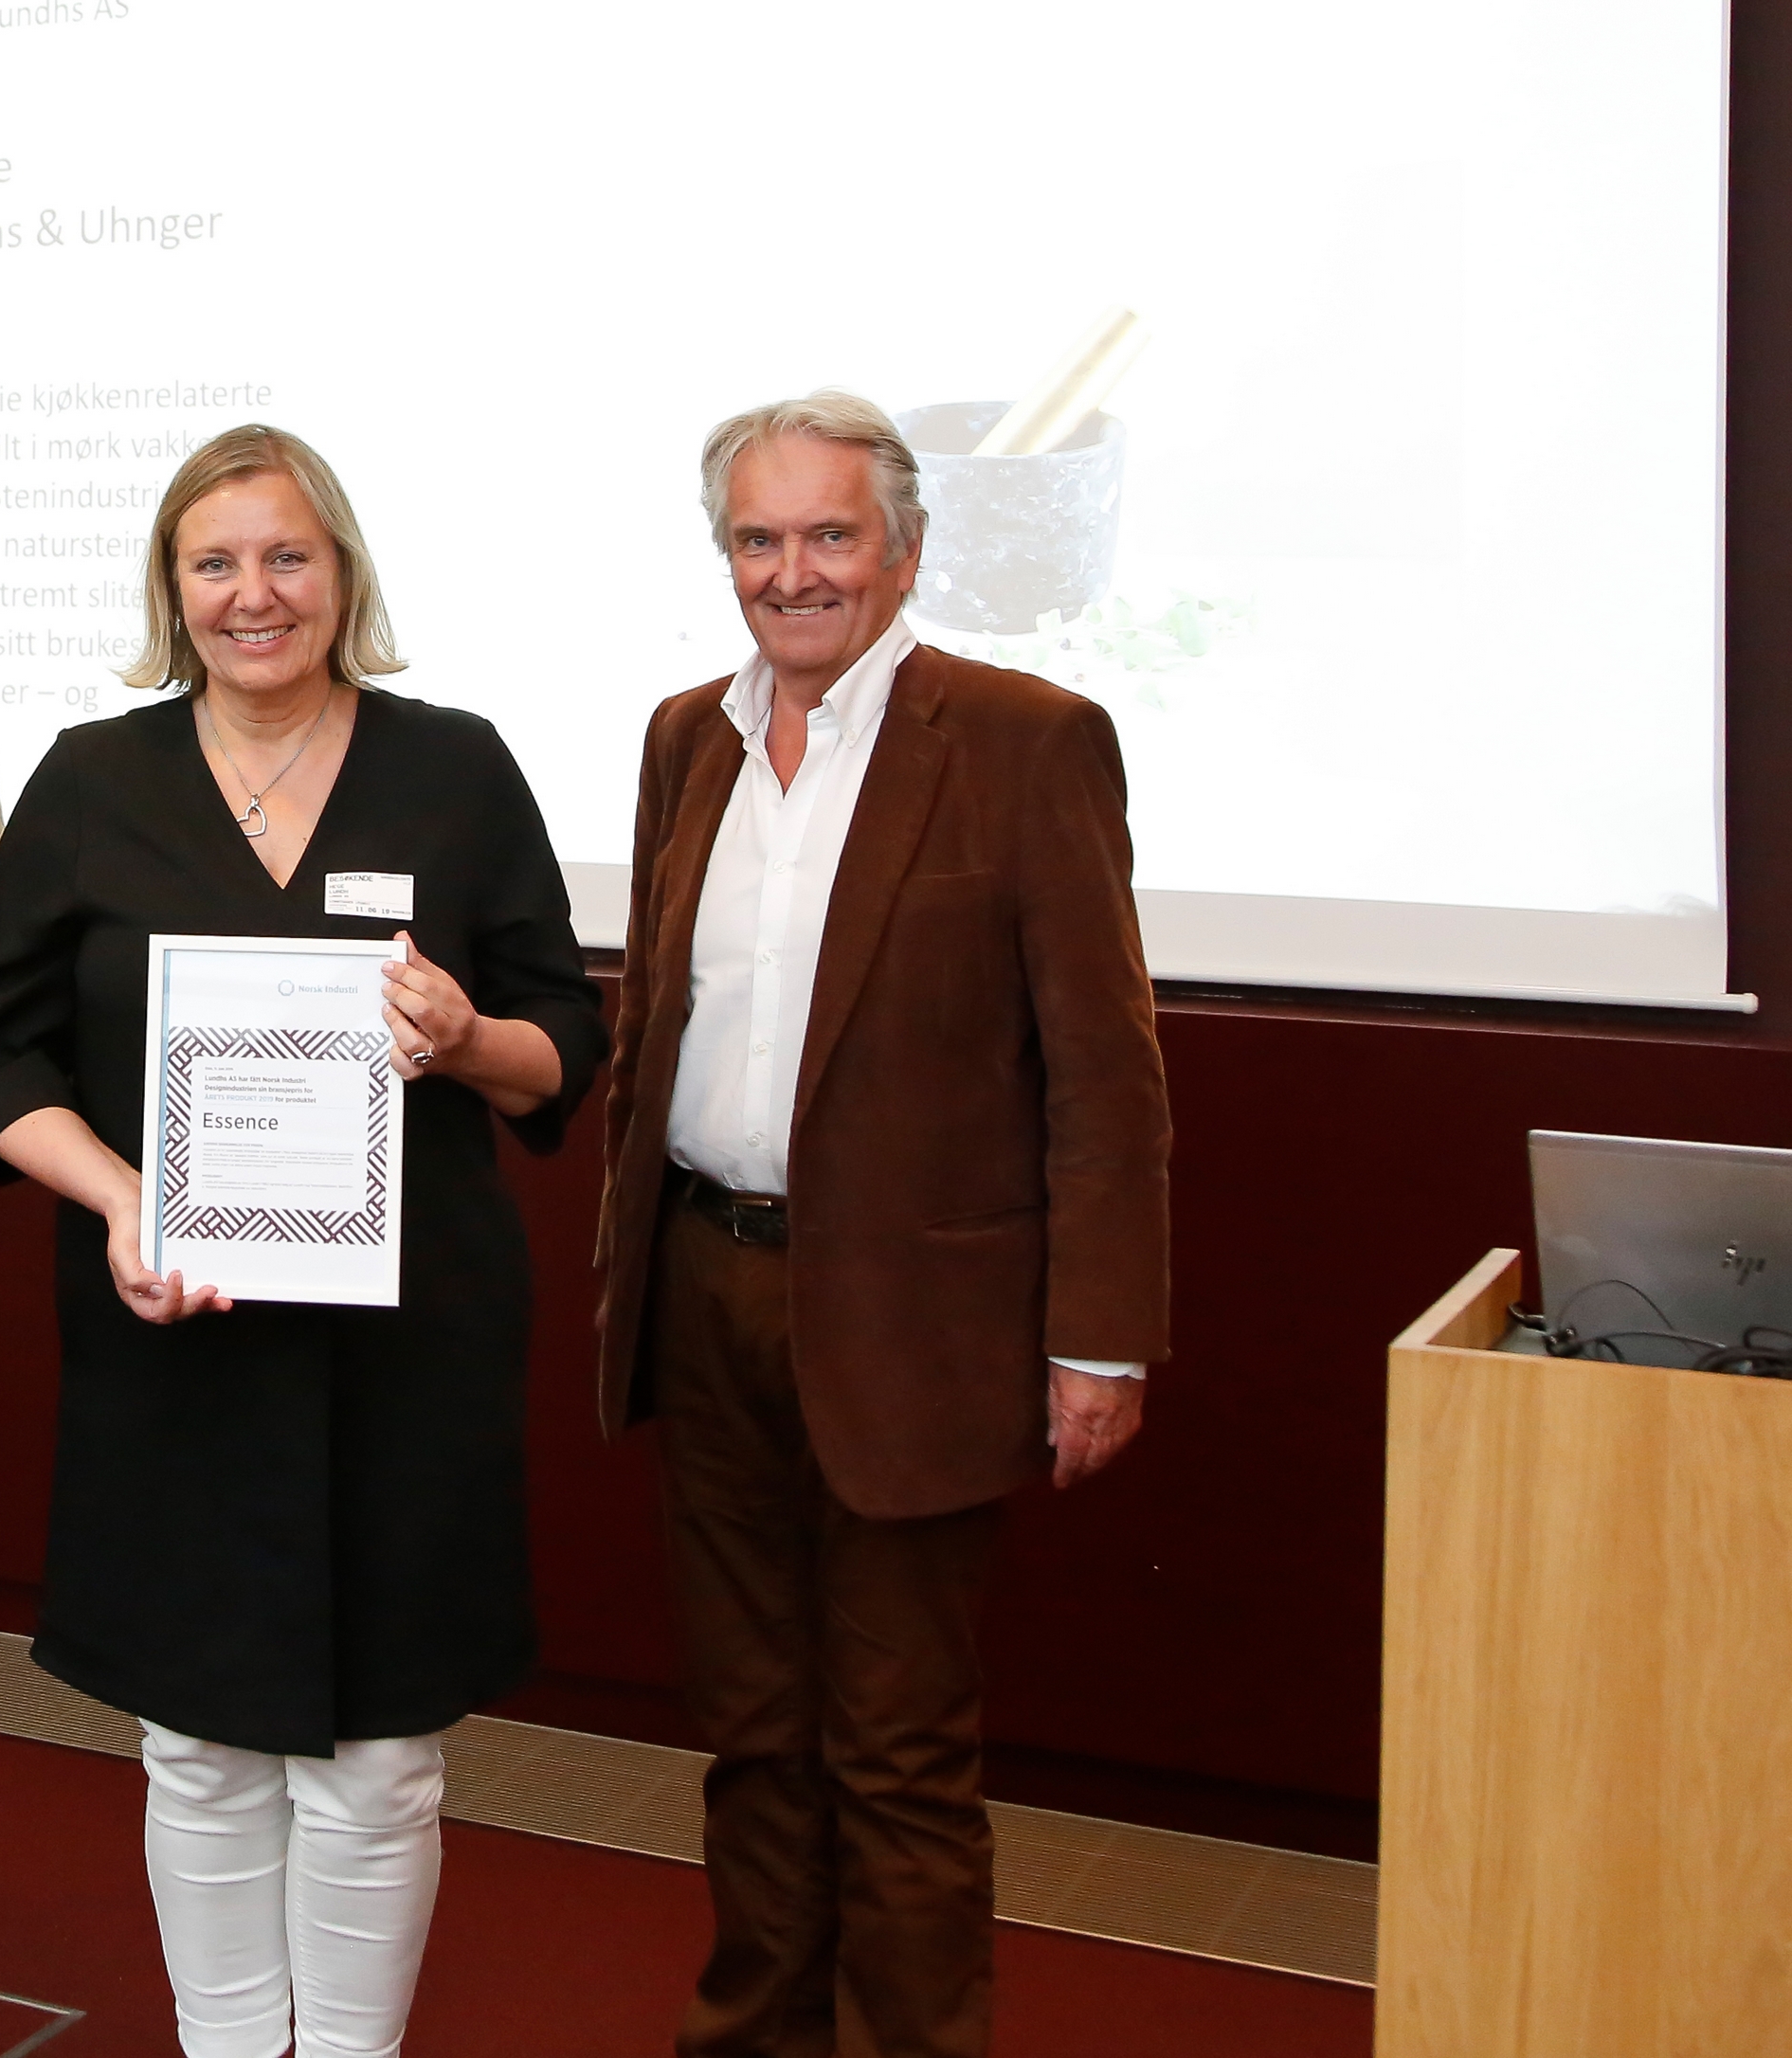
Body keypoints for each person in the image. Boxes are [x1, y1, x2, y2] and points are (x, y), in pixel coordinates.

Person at [0, 424, 605, 2058]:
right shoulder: (92, 779)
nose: (255, 594)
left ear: (342, 572)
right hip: (177, 1334)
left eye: (287, 556)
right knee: (199, 1749)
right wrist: (122, 1199)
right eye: (215, 562)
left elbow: (563, 1050)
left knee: (380, 1763)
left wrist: (466, 1037)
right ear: (170, 590)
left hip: (407, 1351)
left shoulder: (454, 768)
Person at [592, 391, 1170, 2058]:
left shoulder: (1023, 739)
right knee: (751, 1736)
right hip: (707, 1289)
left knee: (899, 1758)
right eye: (758, 539)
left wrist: (1099, 1339)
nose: (793, 573)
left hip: (914, 1327)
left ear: (905, 552)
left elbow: (1102, 1071)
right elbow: (655, 1021)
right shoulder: (683, 741)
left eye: (830, 535)